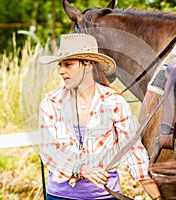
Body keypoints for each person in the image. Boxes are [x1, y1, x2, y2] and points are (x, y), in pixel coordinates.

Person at [38, 33, 161, 200]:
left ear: (88, 64)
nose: (60, 71)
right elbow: (49, 150)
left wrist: (156, 197)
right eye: (60, 65)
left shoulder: (113, 102)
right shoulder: (51, 103)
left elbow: (132, 150)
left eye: (68, 64)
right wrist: (81, 169)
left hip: (104, 196)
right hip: (59, 196)